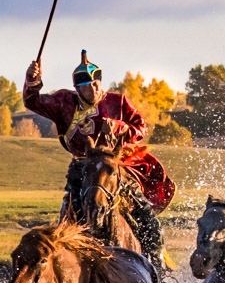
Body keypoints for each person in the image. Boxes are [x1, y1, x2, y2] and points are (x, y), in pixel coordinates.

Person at [24, 51, 175, 266]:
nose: (93, 89)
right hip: (81, 168)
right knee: (65, 221)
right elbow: (33, 102)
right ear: (78, 88)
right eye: (87, 86)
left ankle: (158, 269)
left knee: (146, 218)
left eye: (96, 84)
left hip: (116, 167)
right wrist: (33, 79)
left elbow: (141, 128)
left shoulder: (118, 102)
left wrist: (119, 126)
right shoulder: (63, 102)